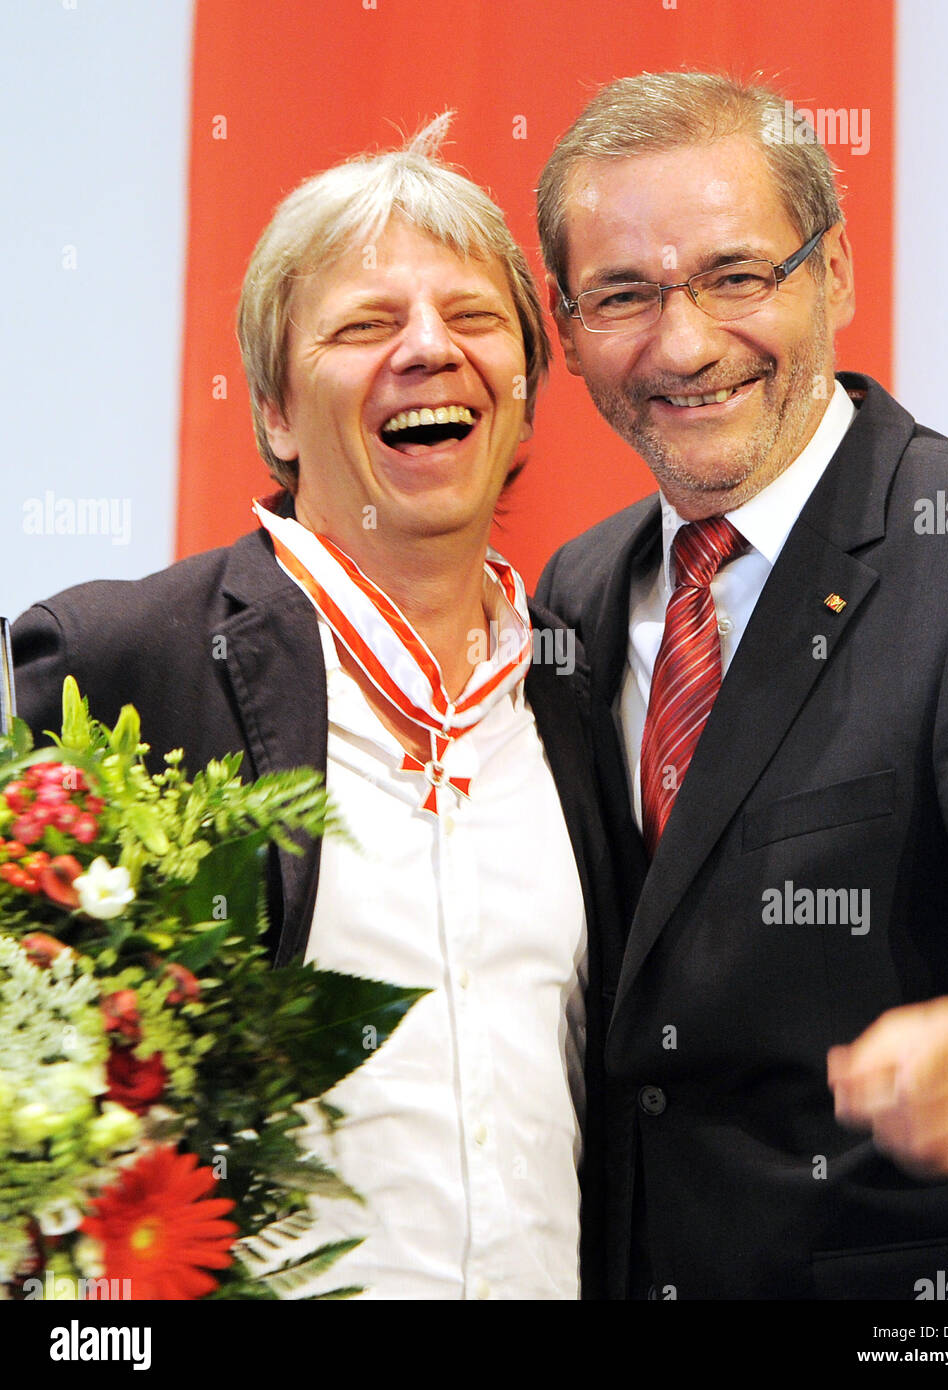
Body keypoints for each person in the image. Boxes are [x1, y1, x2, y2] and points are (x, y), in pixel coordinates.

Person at [12, 118, 613, 1300]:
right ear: (278, 414)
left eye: (474, 317)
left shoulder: (590, 698)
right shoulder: (117, 657)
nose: (430, 350)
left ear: (527, 401)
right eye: (365, 324)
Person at [535, 70, 948, 1300]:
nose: (685, 343)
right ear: (565, 329)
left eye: (735, 275)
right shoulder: (576, 589)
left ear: (836, 274)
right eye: (623, 295)